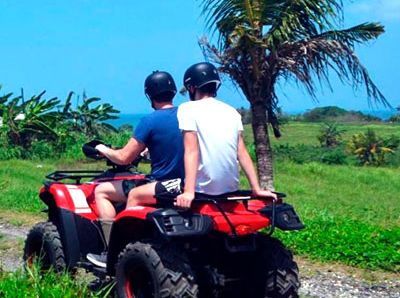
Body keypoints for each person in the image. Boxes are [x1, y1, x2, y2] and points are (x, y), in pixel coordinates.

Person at [86, 71, 185, 268]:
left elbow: (124, 157)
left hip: (161, 184)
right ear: (173, 91)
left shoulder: (149, 121)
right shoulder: (186, 115)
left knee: (101, 191)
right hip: (185, 185)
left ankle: (113, 251)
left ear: (149, 96)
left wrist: (103, 149)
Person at [174, 62, 277, 210]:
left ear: (191, 87)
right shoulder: (231, 112)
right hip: (230, 190)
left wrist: (189, 192)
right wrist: (256, 188)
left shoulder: (187, 109)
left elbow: (191, 150)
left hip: (202, 191)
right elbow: (241, 151)